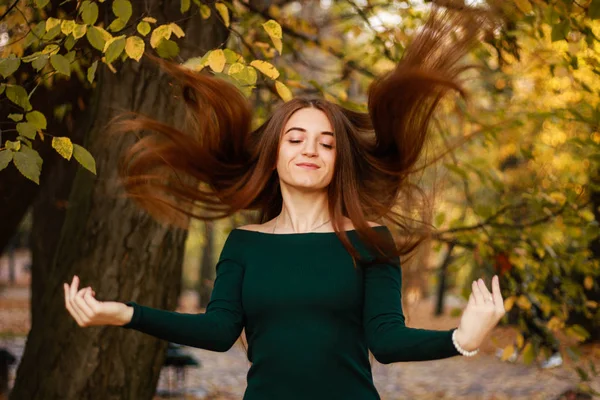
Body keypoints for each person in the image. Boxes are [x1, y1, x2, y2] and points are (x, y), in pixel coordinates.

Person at [64, 5, 505, 399]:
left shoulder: (372, 240)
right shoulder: (244, 244)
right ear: (273, 155)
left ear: (339, 161)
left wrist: (461, 339)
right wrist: (124, 313)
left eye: (326, 144)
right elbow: (219, 332)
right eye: (295, 139)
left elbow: (387, 341)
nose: (310, 150)